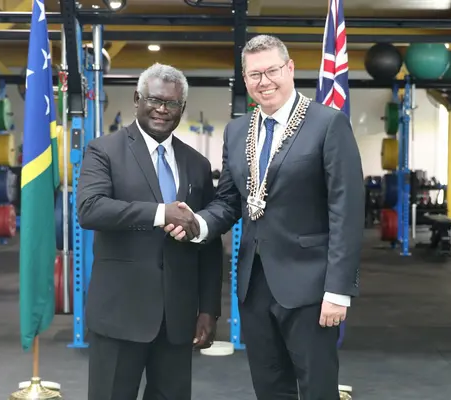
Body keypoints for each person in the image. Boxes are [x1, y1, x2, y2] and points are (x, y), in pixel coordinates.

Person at [166, 34, 365, 399]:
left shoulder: (328, 124)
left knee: (318, 387)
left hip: (311, 286)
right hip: (255, 285)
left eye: (272, 70)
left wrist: (339, 290)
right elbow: (229, 201)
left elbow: (347, 211)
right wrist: (198, 224)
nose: (264, 81)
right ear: (245, 79)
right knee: (270, 388)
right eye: (254, 75)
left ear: (290, 69)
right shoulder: (237, 130)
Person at [76, 63, 223, 400]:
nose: (161, 109)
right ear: (136, 99)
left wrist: (208, 309)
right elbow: (90, 208)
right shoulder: (104, 151)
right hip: (120, 315)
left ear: (181, 108)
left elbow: (208, 242)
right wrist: (160, 213)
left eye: (171, 104)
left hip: (177, 320)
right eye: (154, 100)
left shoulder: (197, 164)